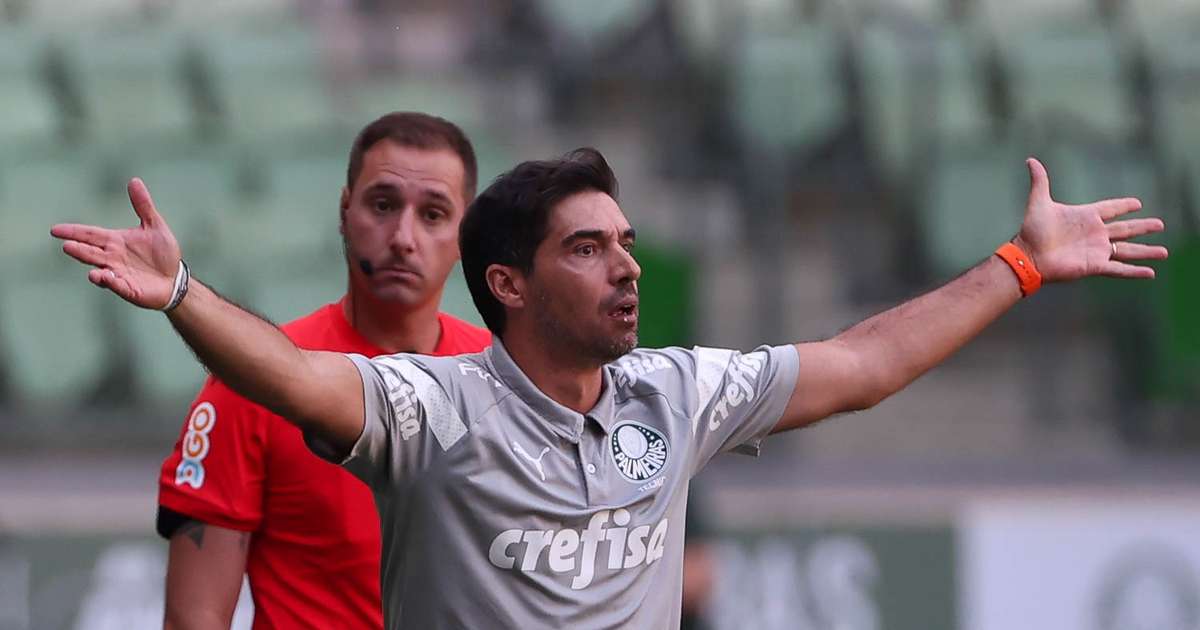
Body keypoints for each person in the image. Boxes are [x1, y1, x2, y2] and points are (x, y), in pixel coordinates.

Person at [52, 147, 1167, 628]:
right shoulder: (435, 411)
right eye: (587, 248)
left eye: (627, 242)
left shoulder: (673, 395)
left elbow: (865, 365)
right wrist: (185, 292)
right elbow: (294, 377)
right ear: (510, 286)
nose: (627, 265)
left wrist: (1019, 267)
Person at [153, 112, 491, 629]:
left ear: (465, 234)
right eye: (383, 205)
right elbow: (193, 621)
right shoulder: (252, 379)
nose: (403, 236)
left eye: (433, 214)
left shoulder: (502, 380)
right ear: (344, 210)